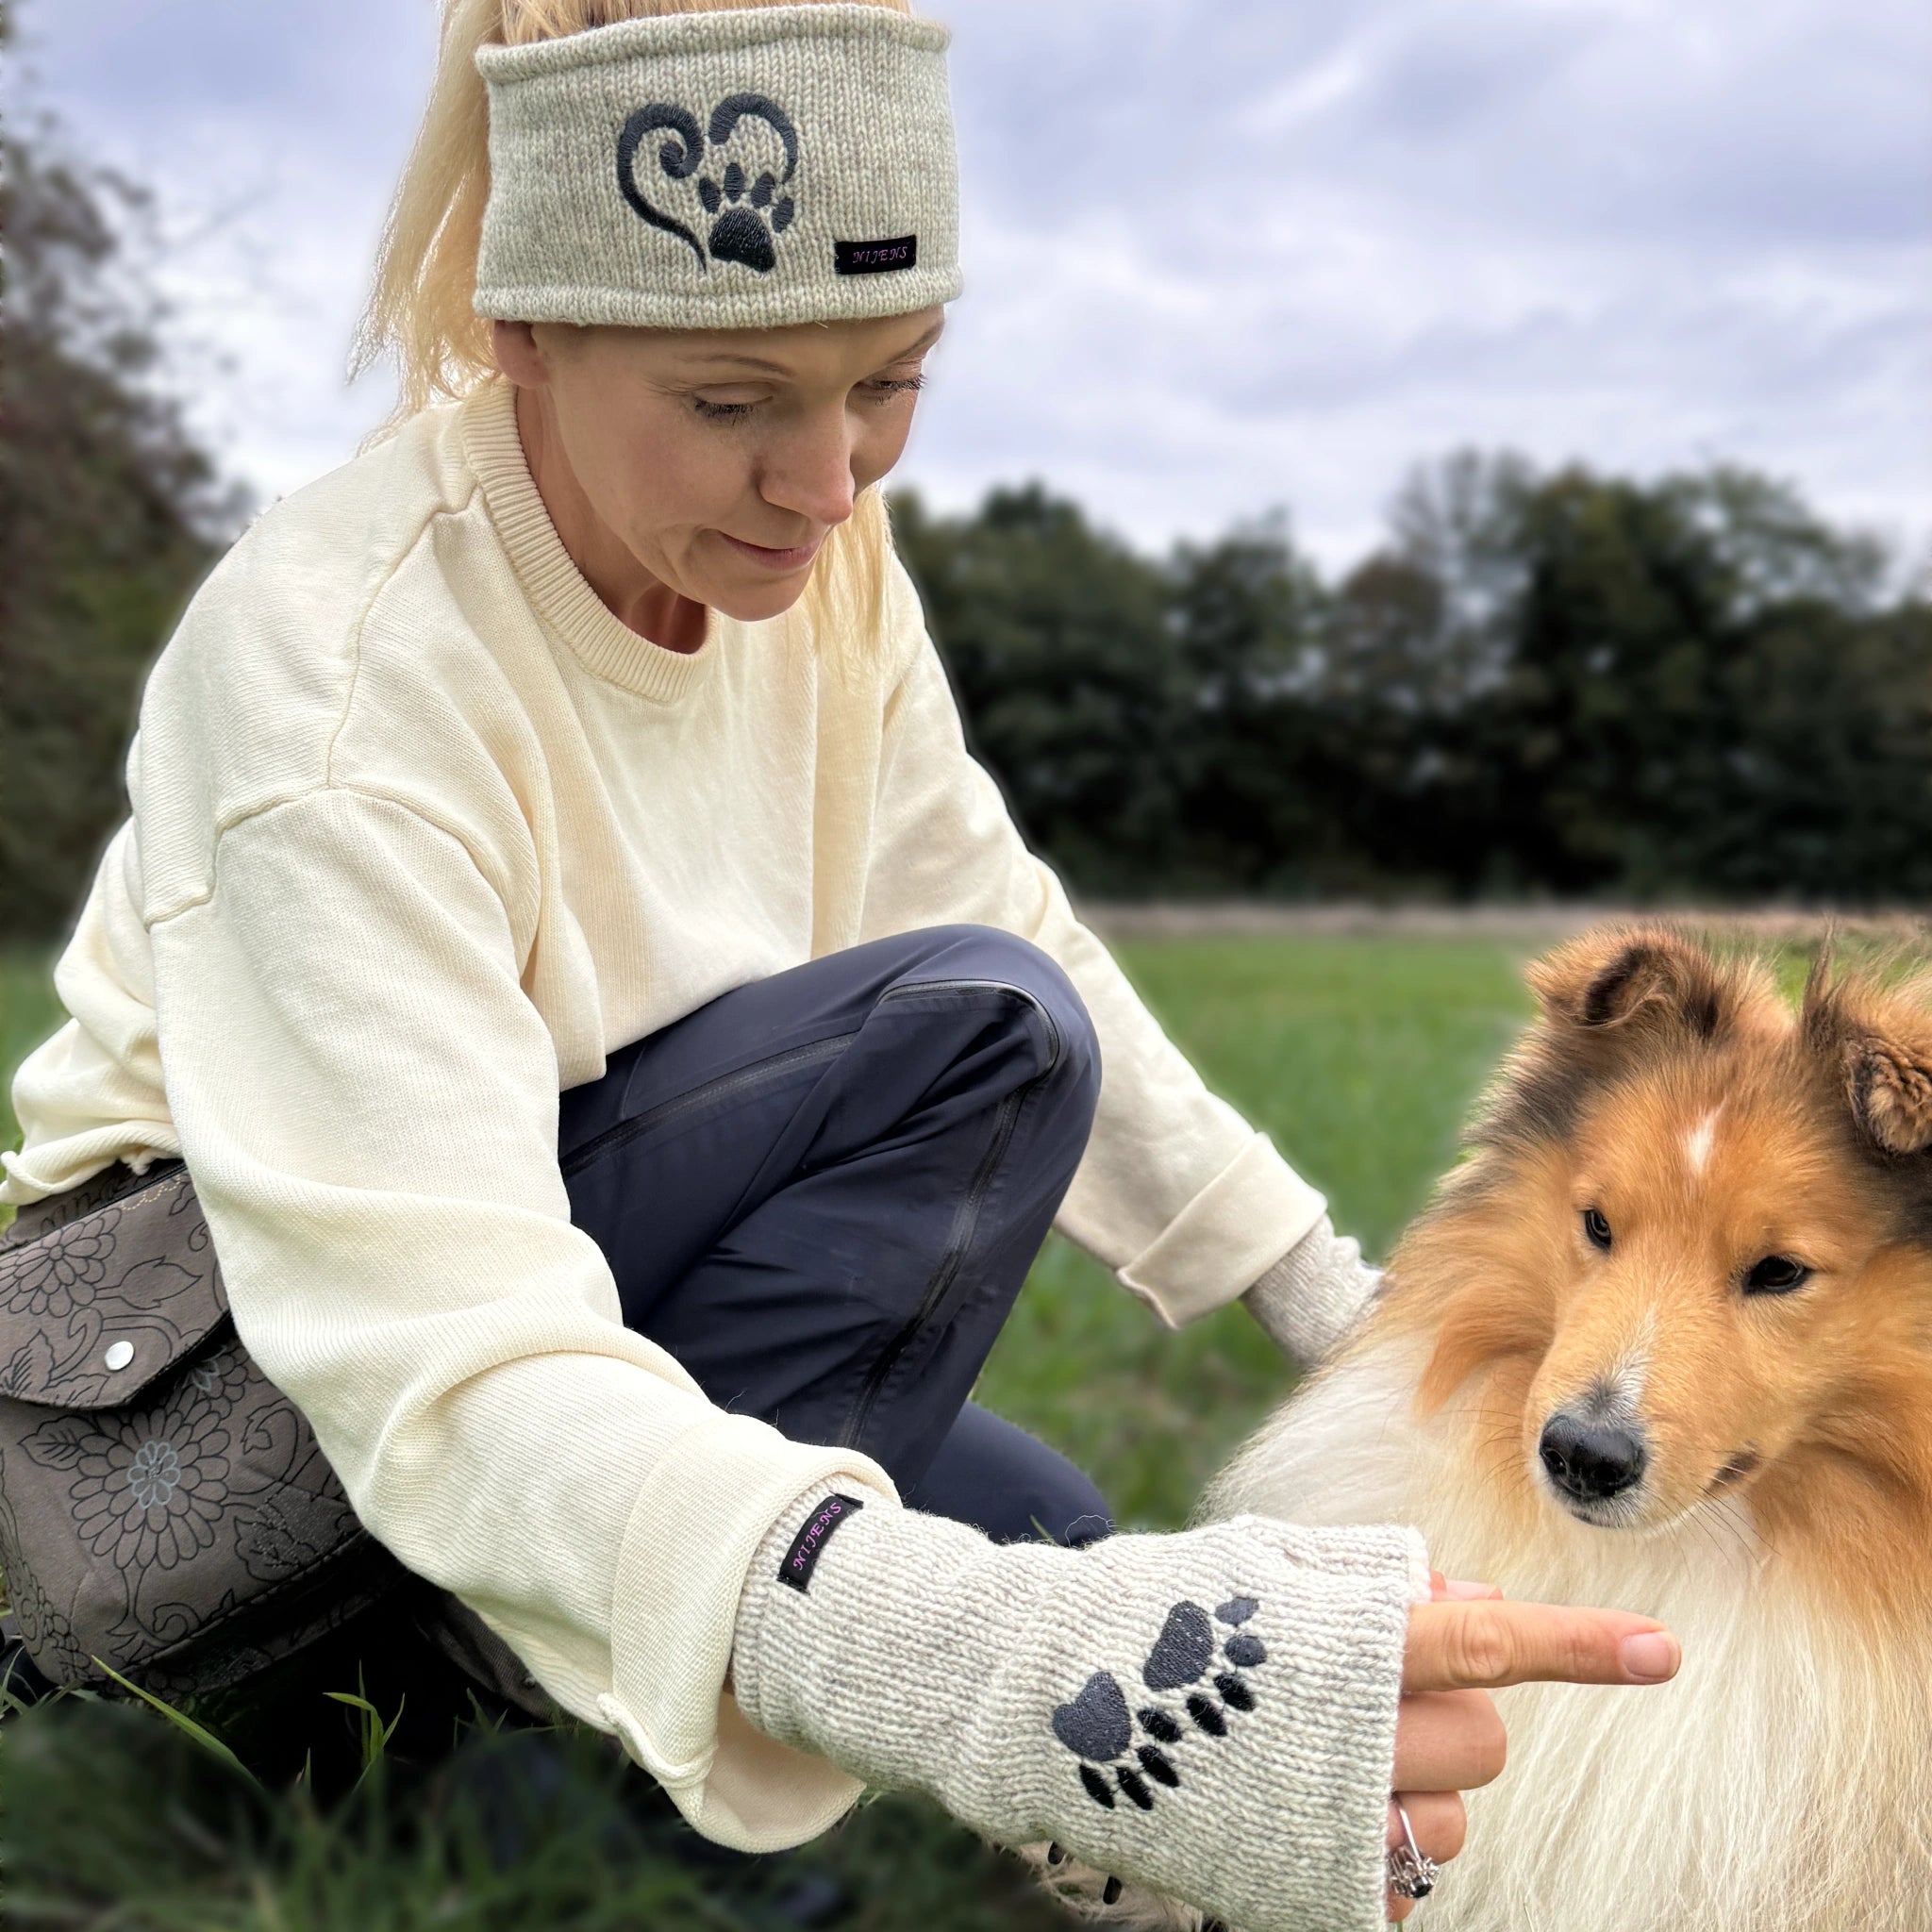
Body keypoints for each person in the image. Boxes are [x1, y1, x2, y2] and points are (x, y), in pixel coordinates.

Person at [0, 2, 1681, 1924]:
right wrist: (999, 1675)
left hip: (586, 1247)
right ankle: (529, 1786)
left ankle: (655, 1720)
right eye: (734, 404)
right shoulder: (339, 678)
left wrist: (1349, 1319)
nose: (826, 482)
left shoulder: (818, 568)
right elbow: (446, 1349)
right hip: (237, 1402)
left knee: (1048, 1522)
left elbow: (982, 892)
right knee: (966, 1058)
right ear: (520, 326)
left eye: (894, 383)